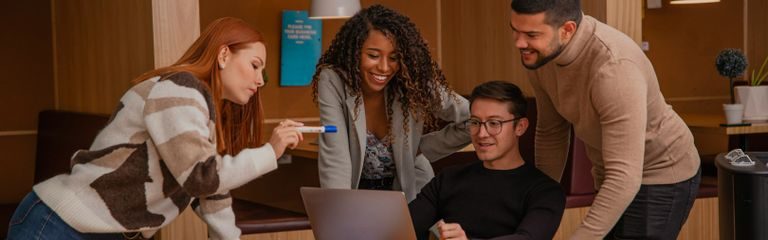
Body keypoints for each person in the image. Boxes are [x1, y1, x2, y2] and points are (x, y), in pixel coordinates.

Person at [6, 17, 304, 240]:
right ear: (224, 55)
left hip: (99, 231)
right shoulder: (181, 89)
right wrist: (271, 152)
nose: (260, 80)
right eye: (254, 65)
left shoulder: (202, 108)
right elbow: (202, 178)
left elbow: (211, 193)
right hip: (58, 226)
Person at [508, 0, 701, 239]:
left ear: (567, 30)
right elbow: (551, 132)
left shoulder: (614, 69)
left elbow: (625, 177)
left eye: (531, 34)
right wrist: (538, 201)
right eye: (514, 30)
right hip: (610, 173)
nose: (519, 43)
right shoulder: (541, 57)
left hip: (660, 171)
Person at [311, 4, 471, 201]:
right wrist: (341, 210)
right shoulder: (333, 80)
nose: (384, 67)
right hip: (356, 196)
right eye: (373, 55)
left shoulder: (414, 80)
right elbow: (336, 158)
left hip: (412, 195)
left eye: (394, 58)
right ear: (354, 52)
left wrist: (423, 147)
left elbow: (475, 118)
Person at [409, 81, 565, 240]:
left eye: (494, 123)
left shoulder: (545, 192)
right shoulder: (447, 179)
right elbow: (405, 228)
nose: (482, 133)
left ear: (520, 126)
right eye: (475, 122)